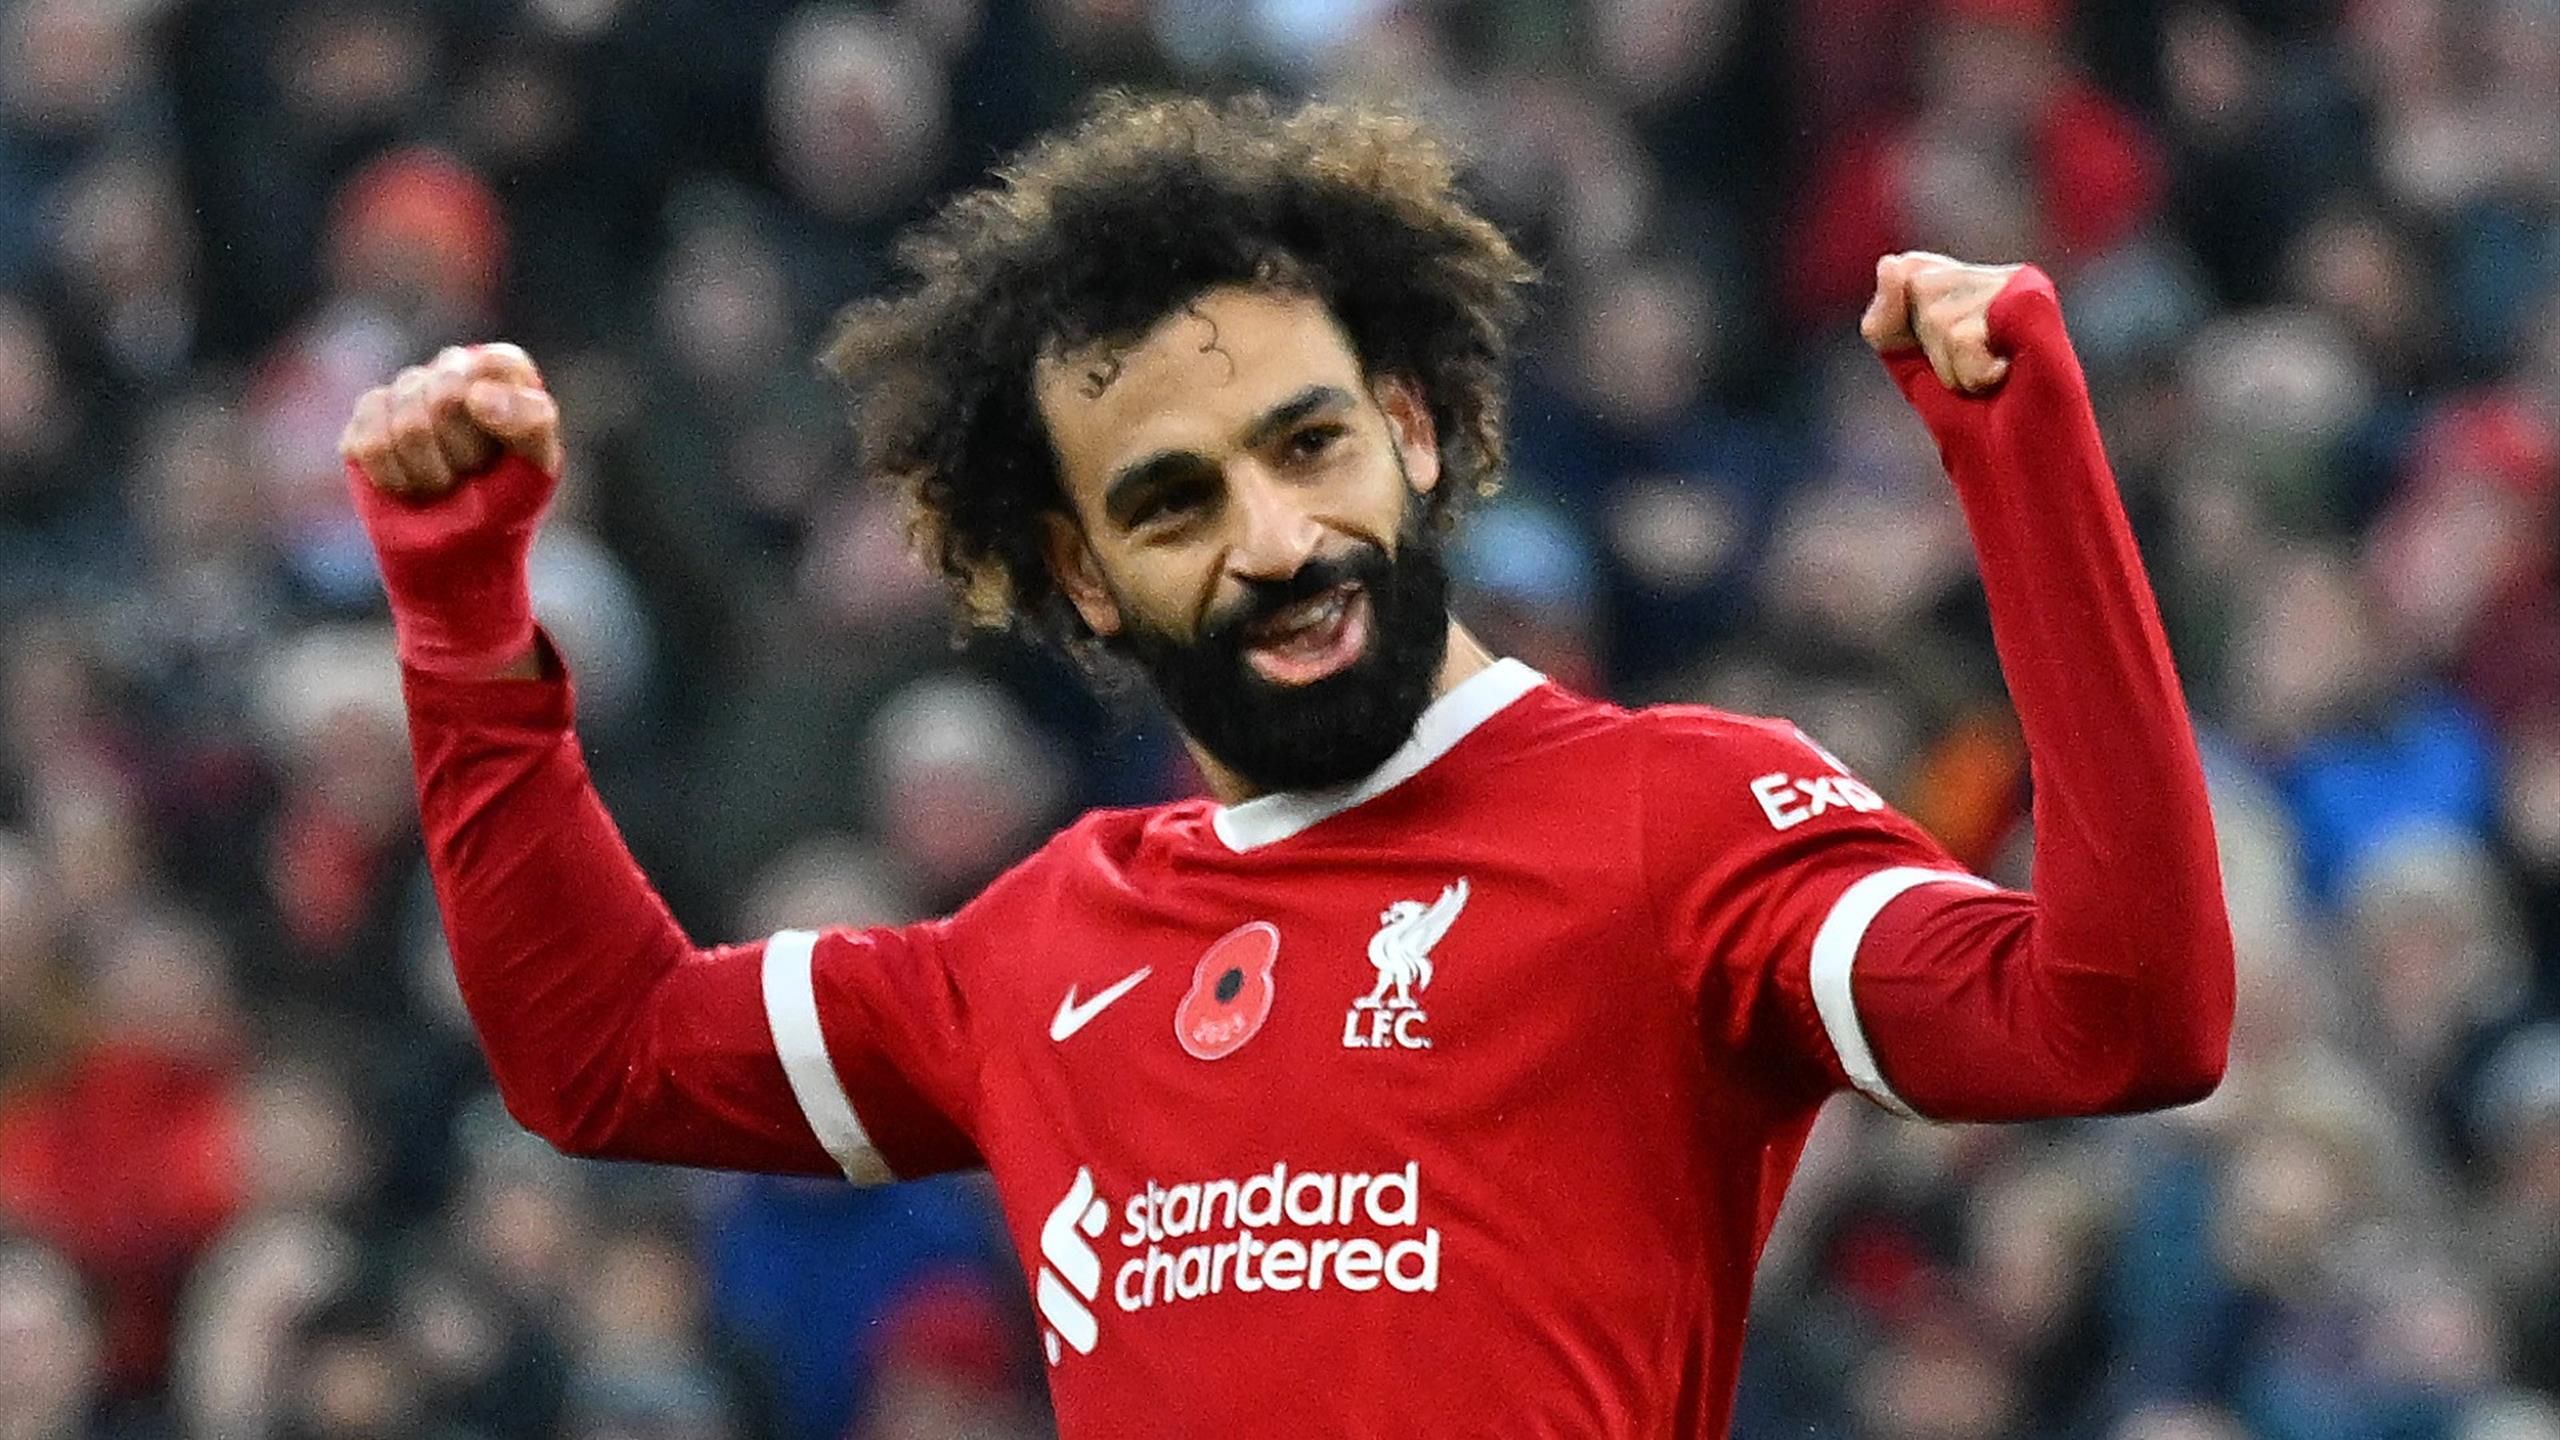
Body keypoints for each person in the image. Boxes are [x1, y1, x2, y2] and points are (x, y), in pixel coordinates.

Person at [336, 94, 2233, 1437]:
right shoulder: (1043, 943)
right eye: (1173, 501)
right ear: (1085, 573)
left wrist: (2025, 468)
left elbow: (2120, 1020)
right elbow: (602, 1053)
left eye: (1308, 444)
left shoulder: (1679, 817)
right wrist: (465, 624)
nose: (1272, 540)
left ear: (1414, 429)